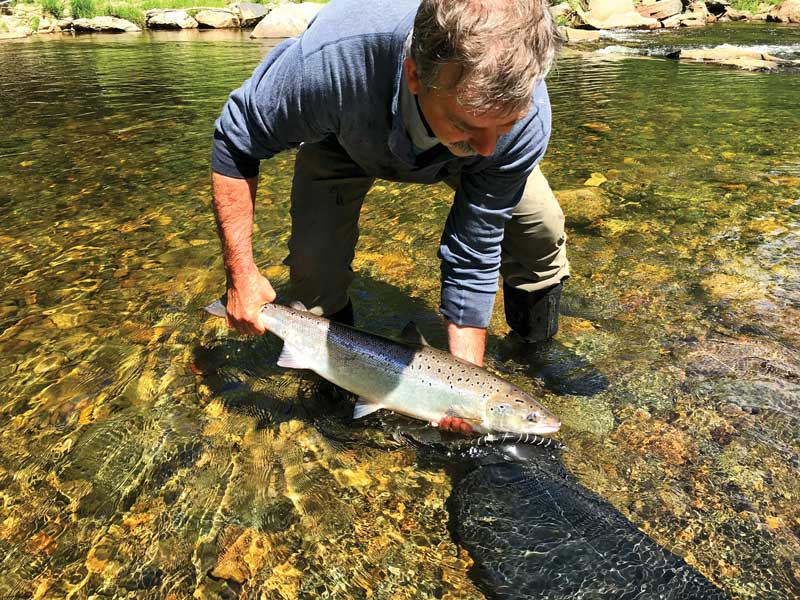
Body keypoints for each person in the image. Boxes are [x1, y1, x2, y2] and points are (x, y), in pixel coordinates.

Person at [210, 0, 569, 430]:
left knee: (539, 231)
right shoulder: (331, 63)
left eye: (506, 124)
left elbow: (473, 251)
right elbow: (236, 139)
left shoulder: (520, 114)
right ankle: (335, 398)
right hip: (345, 136)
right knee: (315, 270)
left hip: (457, 154)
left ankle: (533, 353)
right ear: (415, 75)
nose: (488, 147)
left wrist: (467, 390)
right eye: (467, 124)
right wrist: (241, 274)